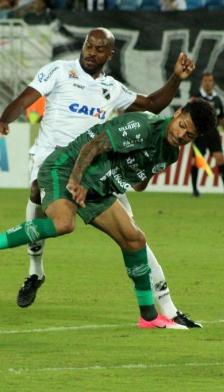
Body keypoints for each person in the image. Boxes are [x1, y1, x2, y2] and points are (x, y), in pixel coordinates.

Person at [0, 27, 201, 328]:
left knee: (134, 238)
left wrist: (175, 78)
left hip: (100, 169)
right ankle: (34, 270)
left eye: (98, 49)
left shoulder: (112, 88)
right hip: (55, 158)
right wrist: (4, 118)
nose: (91, 53)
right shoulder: (59, 70)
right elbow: (27, 98)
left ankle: (167, 311)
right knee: (42, 200)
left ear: (110, 54)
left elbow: (151, 105)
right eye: (88, 46)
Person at [190, 72, 224, 198]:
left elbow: (221, 117)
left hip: (213, 133)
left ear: (213, 83)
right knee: (197, 161)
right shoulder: (196, 97)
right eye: (206, 80)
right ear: (202, 82)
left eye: (210, 80)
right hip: (200, 133)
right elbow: (189, 115)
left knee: (220, 159)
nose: (208, 83)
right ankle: (195, 190)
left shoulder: (217, 99)